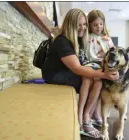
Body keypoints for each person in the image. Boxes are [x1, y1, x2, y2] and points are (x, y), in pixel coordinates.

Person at [41, 8, 119, 138]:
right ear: (71, 25)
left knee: (98, 81)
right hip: (55, 75)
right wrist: (103, 74)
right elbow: (77, 68)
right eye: (79, 25)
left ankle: (88, 115)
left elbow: (84, 62)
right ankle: (83, 119)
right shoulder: (62, 41)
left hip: (67, 71)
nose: (83, 28)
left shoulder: (78, 38)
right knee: (92, 78)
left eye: (84, 24)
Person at [80, 10, 115, 130]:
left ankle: (92, 114)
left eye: (101, 24)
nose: (98, 27)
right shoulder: (87, 36)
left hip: (102, 66)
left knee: (101, 84)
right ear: (89, 25)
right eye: (95, 24)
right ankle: (88, 114)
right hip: (89, 64)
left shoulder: (107, 39)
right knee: (95, 82)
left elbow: (112, 54)